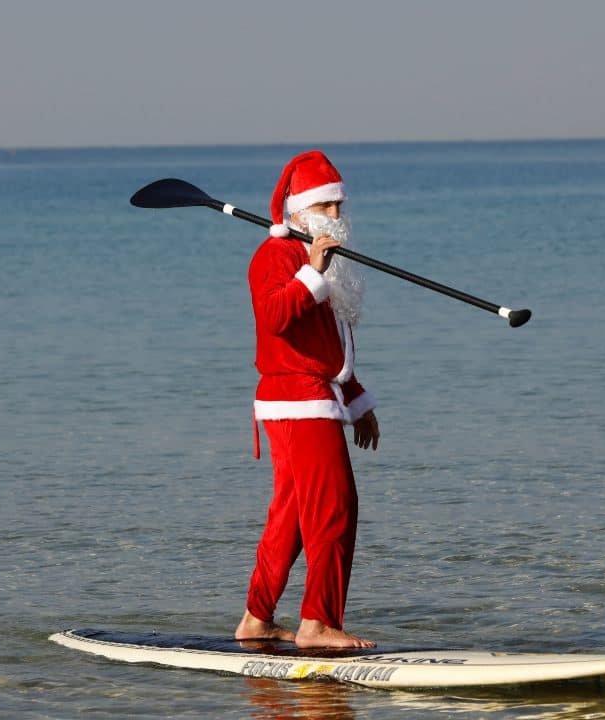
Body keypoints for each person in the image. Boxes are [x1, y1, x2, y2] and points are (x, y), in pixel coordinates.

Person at [235, 150, 380, 649]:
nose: (338, 219)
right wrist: (310, 272)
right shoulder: (275, 256)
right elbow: (274, 318)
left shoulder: (318, 259)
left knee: (293, 516)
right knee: (335, 506)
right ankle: (317, 623)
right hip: (296, 400)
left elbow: (328, 344)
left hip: (319, 394)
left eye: (341, 208)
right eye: (328, 208)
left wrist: (357, 398)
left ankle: (256, 619)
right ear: (300, 212)